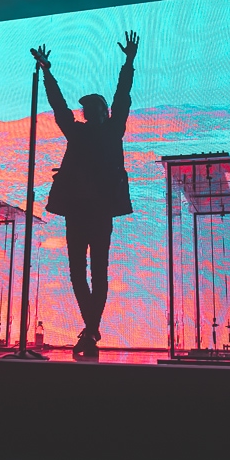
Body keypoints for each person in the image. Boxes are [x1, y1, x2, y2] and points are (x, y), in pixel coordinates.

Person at [35, 31, 139, 358]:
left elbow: (123, 96)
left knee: (98, 271)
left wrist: (129, 63)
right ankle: (91, 330)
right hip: (80, 213)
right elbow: (58, 105)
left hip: (96, 214)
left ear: (103, 112)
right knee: (80, 274)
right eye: (86, 110)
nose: (86, 113)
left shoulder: (111, 130)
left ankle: (90, 331)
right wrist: (47, 73)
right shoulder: (78, 133)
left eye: (93, 108)